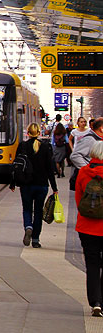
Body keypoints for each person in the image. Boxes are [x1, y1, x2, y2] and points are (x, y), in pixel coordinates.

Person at [10, 122, 58, 248]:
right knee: (38, 211)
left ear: (28, 133)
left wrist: (13, 183)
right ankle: (35, 240)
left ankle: (28, 227)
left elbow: (16, 166)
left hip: (26, 185)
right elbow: (50, 169)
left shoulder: (22, 146)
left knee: (27, 209)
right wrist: (54, 188)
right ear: (39, 133)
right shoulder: (45, 147)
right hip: (42, 185)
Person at [74, 140, 103, 317]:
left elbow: (79, 199)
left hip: (86, 227)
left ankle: (96, 302)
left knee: (92, 264)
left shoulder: (84, 172)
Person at [71, 117, 103, 191]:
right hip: (92, 180)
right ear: (101, 129)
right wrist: (87, 169)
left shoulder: (98, 138)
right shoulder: (89, 140)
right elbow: (75, 156)